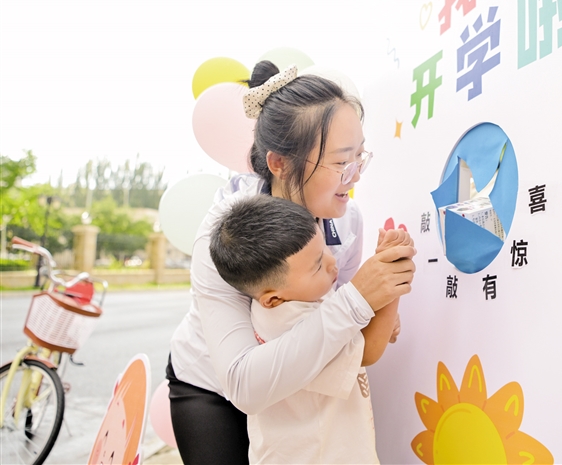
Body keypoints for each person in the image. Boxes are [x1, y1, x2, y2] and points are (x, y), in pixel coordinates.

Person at [166, 61, 416, 465]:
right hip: (214, 387)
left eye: (359, 157)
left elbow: (340, 318)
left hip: (294, 389)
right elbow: (244, 384)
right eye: (341, 163)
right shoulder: (227, 232)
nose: (355, 177)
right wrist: (358, 300)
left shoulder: (347, 220)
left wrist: (378, 302)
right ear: (279, 163)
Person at [209, 195, 408, 464]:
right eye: (317, 266)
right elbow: (368, 350)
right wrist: (391, 281)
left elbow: (354, 333)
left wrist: (381, 320)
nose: (332, 263)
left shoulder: (302, 295)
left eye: (324, 248)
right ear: (273, 298)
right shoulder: (287, 319)